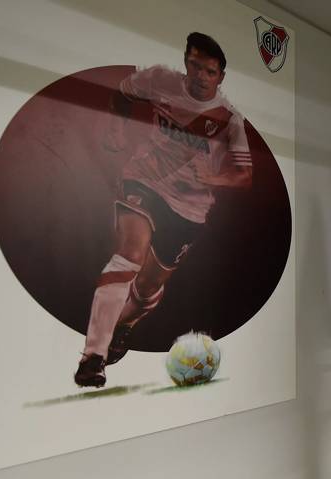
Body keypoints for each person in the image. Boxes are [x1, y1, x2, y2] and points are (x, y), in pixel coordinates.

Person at [74, 32, 253, 387]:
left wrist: (215, 178)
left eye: (210, 71)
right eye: (195, 66)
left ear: (221, 77)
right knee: (128, 256)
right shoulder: (158, 80)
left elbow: (244, 175)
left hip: (189, 208)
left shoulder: (229, 119)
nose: (201, 76)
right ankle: (93, 356)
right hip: (144, 181)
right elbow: (123, 94)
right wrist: (117, 129)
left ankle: (123, 325)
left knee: (148, 289)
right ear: (186, 61)